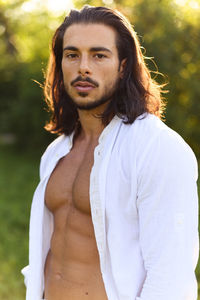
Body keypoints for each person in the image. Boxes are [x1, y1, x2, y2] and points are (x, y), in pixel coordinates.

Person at [21, 5, 199, 300]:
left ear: (123, 65)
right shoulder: (56, 153)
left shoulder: (157, 149)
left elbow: (171, 278)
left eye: (99, 55)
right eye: (72, 54)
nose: (83, 67)